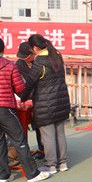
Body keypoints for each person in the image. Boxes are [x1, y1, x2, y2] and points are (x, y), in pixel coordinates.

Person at [0, 37, 50, 182]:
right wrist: (24, 97)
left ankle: (3, 176)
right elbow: (20, 88)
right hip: (5, 109)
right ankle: (32, 174)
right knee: (19, 140)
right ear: (3, 50)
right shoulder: (9, 65)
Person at [25, 34, 71, 174]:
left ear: (35, 48)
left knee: (48, 135)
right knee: (60, 133)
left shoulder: (39, 61)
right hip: (61, 100)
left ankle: (51, 165)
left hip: (45, 103)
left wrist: (22, 97)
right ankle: (63, 163)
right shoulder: (56, 55)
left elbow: (30, 82)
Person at [15, 42, 44, 159]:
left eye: (26, 57)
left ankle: (44, 150)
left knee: (41, 126)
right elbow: (18, 86)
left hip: (42, 97)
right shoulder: (18, 65)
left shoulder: (40, 62)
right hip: (27, 99)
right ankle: (23, 153)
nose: (24, 59)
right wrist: (25, 98)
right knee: (27, 126)